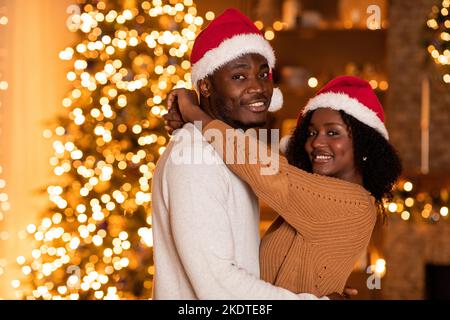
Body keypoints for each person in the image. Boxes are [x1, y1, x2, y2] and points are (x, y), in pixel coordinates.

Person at [152, 8, 344, 300]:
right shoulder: (194, 161)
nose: (258, 87)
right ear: (205, 85)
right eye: (239, 76)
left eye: (264, 74)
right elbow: (219, 288)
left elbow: (302, 157)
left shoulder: (235, 148)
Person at [165, 75, 402, 297]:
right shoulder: (318, 194)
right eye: (311, 132)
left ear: (365, 145)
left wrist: (195, 114)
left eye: (333, 132)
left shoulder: (352, 204)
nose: (317, 142)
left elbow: (267, 169)